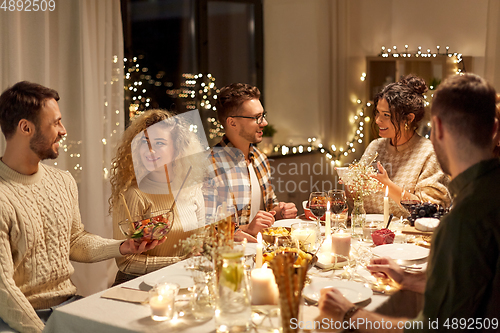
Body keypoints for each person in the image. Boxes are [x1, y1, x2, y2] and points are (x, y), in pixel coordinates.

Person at [318, 73, 500, 332]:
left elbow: (436, 327)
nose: (378, 121)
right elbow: (475, 281)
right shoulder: (485, 195)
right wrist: (412, 279)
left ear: (436, 128)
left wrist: (349, 313)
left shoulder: (462, 221)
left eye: (385, 114)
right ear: (494, 129)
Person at [0, 81, 162, 332]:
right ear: (25, 127)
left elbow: (75, 240)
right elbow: (4, 290)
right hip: (20, 317)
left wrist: (122, 246)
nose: (63, 130)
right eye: (55, 122)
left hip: (68, 306)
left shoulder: (62, 181)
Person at [109, 109, 206, 285]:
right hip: (137, 286)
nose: (150, 150)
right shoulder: (133, 194)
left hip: (182, 282)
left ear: (178, 148)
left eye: (159, 143)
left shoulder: (191, 188)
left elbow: (199, 239)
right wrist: (179, 262)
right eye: (144, 142)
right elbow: (126, 262)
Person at [205, 83, 297, 241]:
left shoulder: (260, 158)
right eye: (256, 118)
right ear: (232, 123)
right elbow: (204, 230)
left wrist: (281, 211)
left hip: (261, 254)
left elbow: (270, 207)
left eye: (263, 115)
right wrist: (247, 229)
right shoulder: (208, 165)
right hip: (229, 259)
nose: (264, 123)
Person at [361, 75, 451, 217]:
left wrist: (388, 186)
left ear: (408, 119)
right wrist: (351, 187)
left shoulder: (429, 153)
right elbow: (356, 203)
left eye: (386, 115)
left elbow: (431, 210)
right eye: (377, 113)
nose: (378, 120)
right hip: (366, 234)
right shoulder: (374, 147)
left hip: (410, 236)